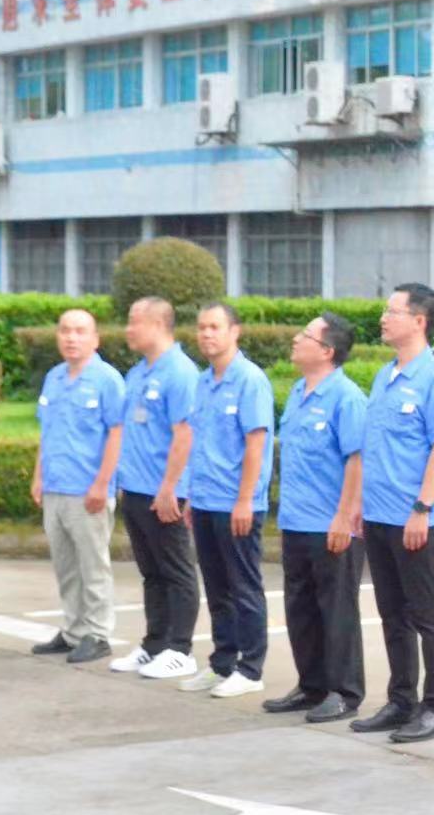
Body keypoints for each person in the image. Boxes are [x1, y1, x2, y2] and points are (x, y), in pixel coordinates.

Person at [355, 283, 434, 744]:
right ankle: (401, 700)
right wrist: (360, 506)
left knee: (427, 616)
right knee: (391, 614)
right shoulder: (385, 376)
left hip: (415, 518)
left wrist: (422, 507)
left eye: (392, 311)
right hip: (379, 515)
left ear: (419, 320)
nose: (383, 318)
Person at [265, 315, 367, 724]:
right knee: (301, 608)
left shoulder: (347, 397)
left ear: (326, 351)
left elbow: (357, 460)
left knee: (337, 610)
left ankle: (344, 691)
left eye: (305, 335)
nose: (295, 339)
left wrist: (345, 517)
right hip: (296, 520)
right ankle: (311, 685)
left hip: (331, 523)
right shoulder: (297, 392)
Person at [179, 302, 274, 699]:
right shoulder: (203, 381)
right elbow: (198, 441)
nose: (206, 334)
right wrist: (190, 494)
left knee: (244, 587)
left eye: (215, 327)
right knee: (217, 588)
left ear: (235, 332)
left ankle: (251, 669)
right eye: (202, 327)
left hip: (237, 503)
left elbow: (256, 443)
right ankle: (222, 662)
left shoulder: (250, 380)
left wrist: (245, 499)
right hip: (205, 500)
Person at [108, 297, 202, 681]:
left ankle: (180, 649)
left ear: (159, 324)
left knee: (176, 571)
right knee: (152, 573)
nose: (128, 329)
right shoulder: (137, 373)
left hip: (164, 491)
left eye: (135, 321)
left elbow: (185, 434)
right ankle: (155, 643)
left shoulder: (180, 372)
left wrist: (170, 487)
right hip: (136, 488)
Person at [29, 308, 127, 665]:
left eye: (80, 331)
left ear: (95, 339)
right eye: (65, 330)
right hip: (56, 487)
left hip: (88, 491)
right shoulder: (54, 378)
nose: (71, 337)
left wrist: (102, 483)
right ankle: (73, 630)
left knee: (93, 566)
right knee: (66, 566)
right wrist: (38, 476)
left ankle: (97, 633)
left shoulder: (107, 380)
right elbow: (47, 431)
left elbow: (117, 433)